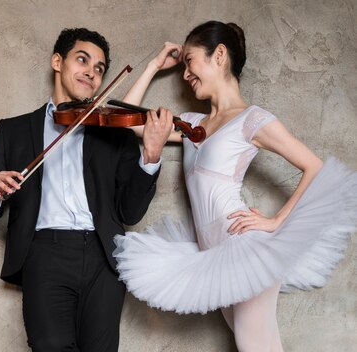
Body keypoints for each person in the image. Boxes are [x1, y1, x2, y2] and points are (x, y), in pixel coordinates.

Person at [113, 21, 357, 351]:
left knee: (253, 345)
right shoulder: (192, 124)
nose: (185, 75)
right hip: (213, 254)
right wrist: (154, 66)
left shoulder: (252, 119)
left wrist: (275, 221)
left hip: (243, 248)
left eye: (190, 61)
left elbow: (313, 166)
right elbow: (128, 122)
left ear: (220, 55)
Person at [0, 28, 172, 351]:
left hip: (102, 258)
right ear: (57, 62)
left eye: (99, 69)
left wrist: (150, 156)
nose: (91, 73)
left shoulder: (111, 132)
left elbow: (130, 212)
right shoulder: (14, 130)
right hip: (44, 254)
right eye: (82, 60)